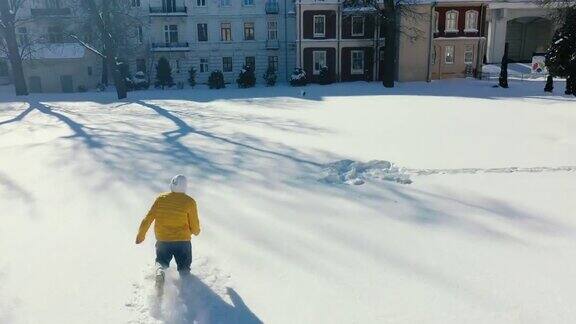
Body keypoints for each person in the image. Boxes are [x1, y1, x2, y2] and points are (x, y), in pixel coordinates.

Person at [135, 175, 200, 282]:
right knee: (184, 268)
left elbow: (148, 218)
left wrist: (141, 235)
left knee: (161, 261)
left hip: (163, 240)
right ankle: (185, 289)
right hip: (183, 242)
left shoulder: (161, 199)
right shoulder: (189, 202)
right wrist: (195, 231)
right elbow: (194, 224)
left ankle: (160, 271)